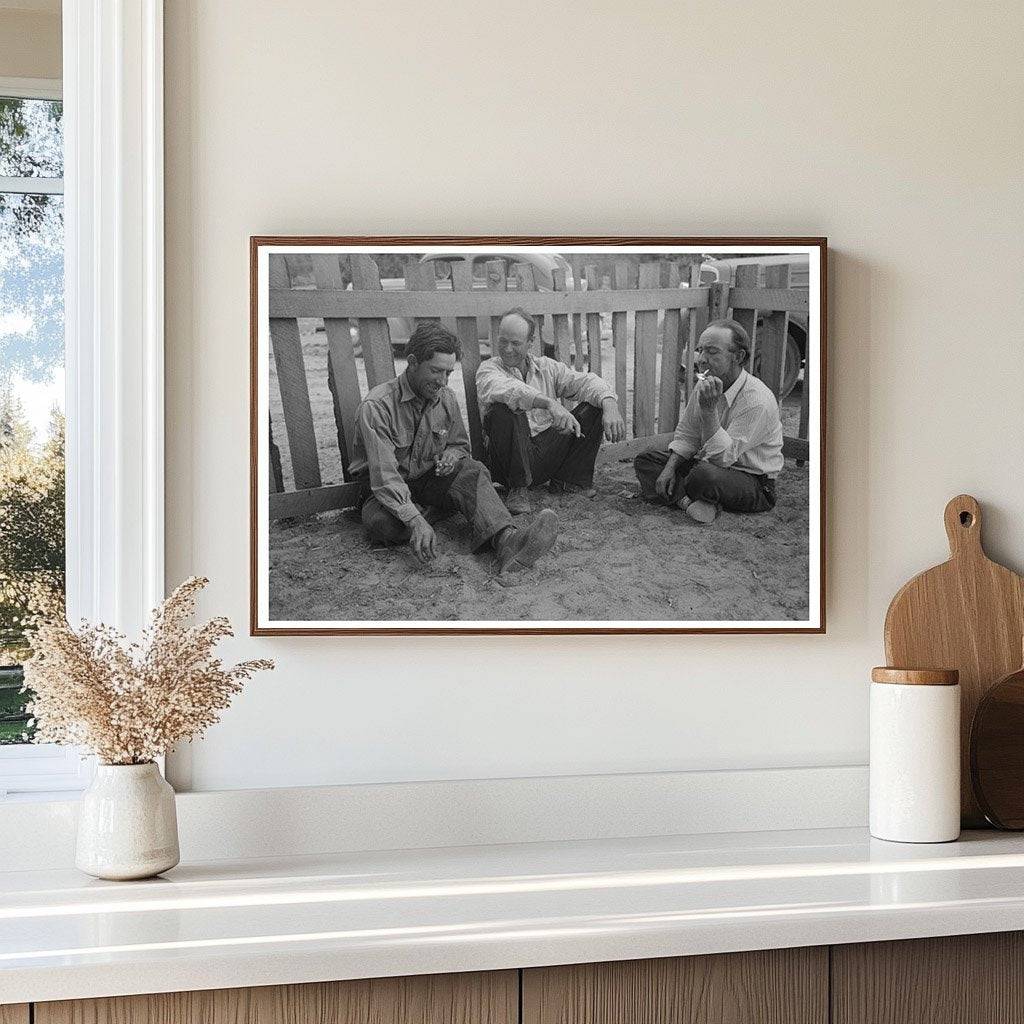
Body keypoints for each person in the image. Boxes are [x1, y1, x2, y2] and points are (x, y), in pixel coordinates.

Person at [350, 322, 558, 572]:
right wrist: (414, 520)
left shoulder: (446, 397)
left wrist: (451, 454)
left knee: (473, 470)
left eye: (448, 373)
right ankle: (435, 513)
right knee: (382, 525)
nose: (442, 381)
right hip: (385, 490)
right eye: (436, 371)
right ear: (413, 362)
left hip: (429, 480)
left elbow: (459, 444)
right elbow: (384, 477)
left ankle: (507, 540)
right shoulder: (377, 407)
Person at [475, 308, 626, 514]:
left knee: (596, 405)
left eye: (516, 343)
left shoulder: (546, 367)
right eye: (503, 341)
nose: (508, 349)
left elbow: (586, 382)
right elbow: (509, 390)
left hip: (544, 454)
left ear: (530, 342)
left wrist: (610, 405)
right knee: (503, 409)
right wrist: (549, 403)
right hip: (507, 463)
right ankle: (518, 489)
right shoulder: (489, 369)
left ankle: (569, 482)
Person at [633, 318, 783, 525]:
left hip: (752, 481)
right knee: (646, 460)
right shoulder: (707, 382)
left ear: (738, 356)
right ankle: (689, 503)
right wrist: (669, 468)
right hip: (708, 464)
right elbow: (688, 434)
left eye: (712, 352)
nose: (702, 359)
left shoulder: (757, 400)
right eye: (700, 350)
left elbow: (723, 458)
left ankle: (690, 496)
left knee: (703, 475)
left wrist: (709, 411)